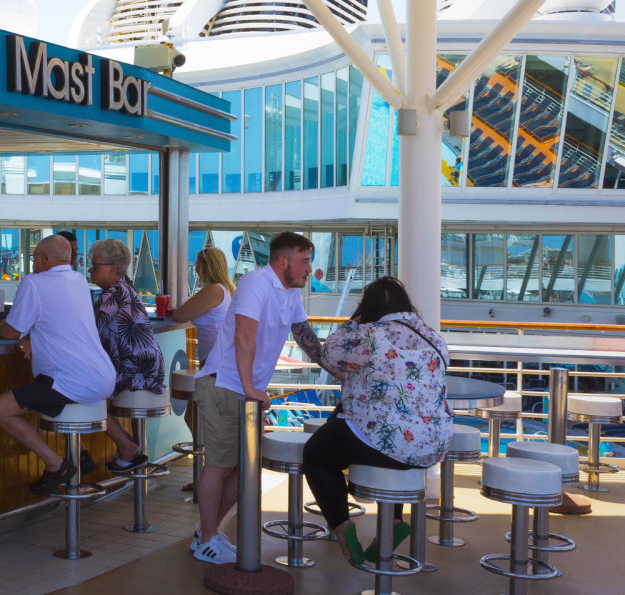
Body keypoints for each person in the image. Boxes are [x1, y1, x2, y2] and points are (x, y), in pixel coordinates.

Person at [190, 231, 323, 564]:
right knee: (219, 465)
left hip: (246, 392)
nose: (309, 269)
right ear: (282, 262)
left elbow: (303, 334)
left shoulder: (291, 291)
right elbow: (244, 335)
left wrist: (334, 365)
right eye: (304, 262)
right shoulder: (256, 283)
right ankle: (207, 539)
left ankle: (206, 532)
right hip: (223, 384)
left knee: (245, 469)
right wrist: (250, 386)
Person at [303, 276, 452, 566]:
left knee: (317, 454)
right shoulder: (434, 338)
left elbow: (329, 356)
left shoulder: (370, 334)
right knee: (388, 433)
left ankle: (342, 527)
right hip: (433, 446)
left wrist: (352, 322)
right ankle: (394, 521)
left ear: (367, 307)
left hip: (391, 443)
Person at [0, 235, 116, 494]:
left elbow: (11, 331)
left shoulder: (34, 282)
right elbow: (59, 321)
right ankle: (80, 453)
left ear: (44, 259)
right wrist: (32, 337)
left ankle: (56, 465)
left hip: (72, 380)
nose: (33, 262)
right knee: (47, 391)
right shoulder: (79, 281)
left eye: (34, 257)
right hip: (103, 377)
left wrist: (0, 325)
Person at [86, 238, 165, 472]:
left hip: (135, 369)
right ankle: (129, 444)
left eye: (94, 265)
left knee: (83, 392)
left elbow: (87, 329)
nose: (90, 270)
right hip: (146, 367)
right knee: (91, 389)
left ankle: (126, 446)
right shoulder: (125, 288)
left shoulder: (113, 293)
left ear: (112, 269)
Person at [171, 247, 236, 490]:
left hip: (215, 365)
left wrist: (174, 310)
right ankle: (208, 474)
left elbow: (180, 315)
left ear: (205, 266)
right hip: (218, 363)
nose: (195, 270)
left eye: (197, 265)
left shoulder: (213, 290)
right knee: (196, 417)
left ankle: (213, 475)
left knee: (204, 421)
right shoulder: (227, 289)